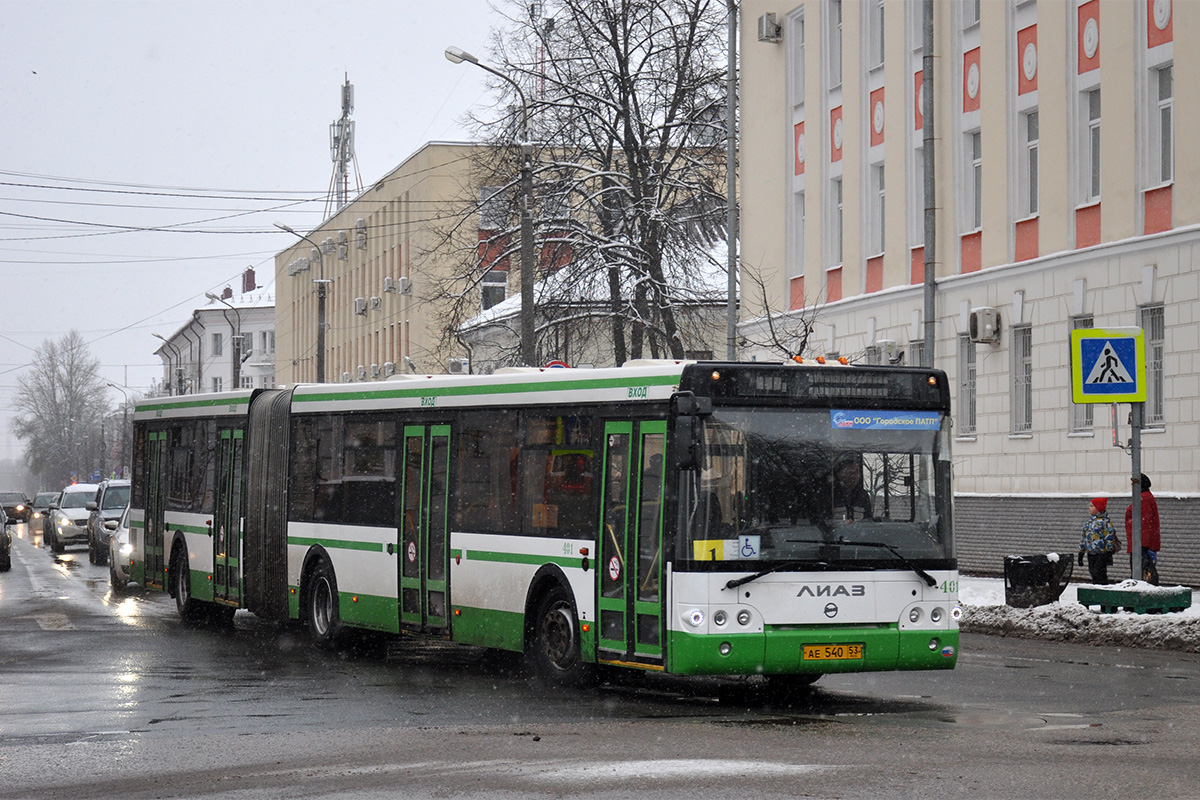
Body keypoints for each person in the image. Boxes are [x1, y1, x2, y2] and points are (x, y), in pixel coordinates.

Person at [1124, 473, 1161, 585]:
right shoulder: (1145, 497)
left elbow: (1144, 523)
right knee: (1144, 573)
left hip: (1140, 544)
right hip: (1141, 543)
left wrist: (1141, 545)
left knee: (1141, 574)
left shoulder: (1143, 499)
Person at [1077, 497, 1118, 585]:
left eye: (1092, 506)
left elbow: (1109, 537)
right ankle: (1097, 587)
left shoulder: (1105, 522)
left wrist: (1108, 551)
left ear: (1098, 508)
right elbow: (1084, 537)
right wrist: (1081, 551)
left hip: (1101, 553)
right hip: (1091, 552)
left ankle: (1103, 589)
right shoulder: (1089, 523)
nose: (1089, 508)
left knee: (1100, 574)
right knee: (1093, 573)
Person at [827, 454, 874, 522]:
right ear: (839, 474)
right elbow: (824, 521)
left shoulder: (862, 495)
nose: (854, 476)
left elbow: (868, 520)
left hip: (859, 532)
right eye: (850, 473)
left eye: (856, 473)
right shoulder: (830, 494)